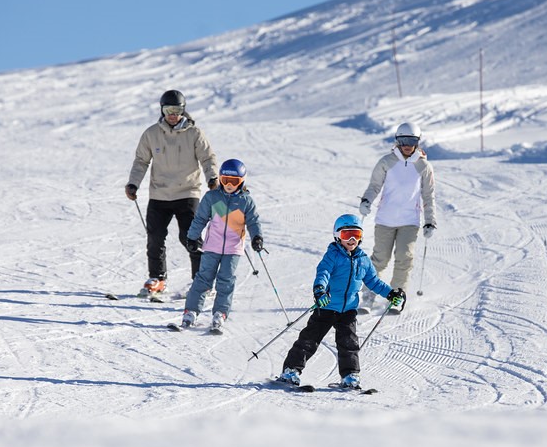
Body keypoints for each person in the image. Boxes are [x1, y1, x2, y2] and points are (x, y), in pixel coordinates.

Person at [276, 214, 405, 389]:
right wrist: (319, 291)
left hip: (349, 310)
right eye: (347, 235)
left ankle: (350, 376)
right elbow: (323, 274)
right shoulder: (332, 256)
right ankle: (290, 371)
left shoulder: (363, 260)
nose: (352, 240)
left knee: (349, 344)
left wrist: (390, 294)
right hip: (327, 306)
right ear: (337, 236)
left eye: (356, 235)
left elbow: (373, 281)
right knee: (309, 340)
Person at [125, 90, 219, 300]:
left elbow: (208, 158)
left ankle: (201, 281)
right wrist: (133, 183)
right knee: (155, 238)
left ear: (183, 110)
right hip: (159, 194)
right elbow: (141, 161)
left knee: (190, 237)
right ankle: (157, 278)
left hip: (187, 192)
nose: (172, 115)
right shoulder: (151, 134)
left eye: (176, 110)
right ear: (162, 110)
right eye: (168, 110)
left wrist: (213, 178)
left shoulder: (194, 133)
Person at [357, 121, 436, 312]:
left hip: (410, 221)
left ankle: (397, 296)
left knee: (404, 258)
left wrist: (429, 221)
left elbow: (428, 195)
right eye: (403, 140)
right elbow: (374, 186)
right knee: (379, 259)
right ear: (397, 141)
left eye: (411, 140)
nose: (407, 145)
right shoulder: (386, 162)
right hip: (385, 219)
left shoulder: (423, 166)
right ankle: (368, 296)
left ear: (417, 142)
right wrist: (366, 201)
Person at [180, 159, 263, 333]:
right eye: (225, 180)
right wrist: (193, 237)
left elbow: (253, 222)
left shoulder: (246, 201)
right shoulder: (212, 197)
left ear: (241, 181)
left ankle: (220, 313)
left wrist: (257, 237)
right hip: (212, 246)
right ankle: (191, 311)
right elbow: (200, 219)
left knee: (226, 281)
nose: (229, 185)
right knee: (203, 278)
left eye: (233, 182)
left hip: (233, 249)